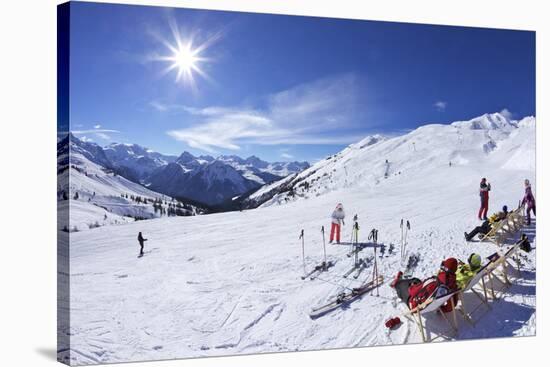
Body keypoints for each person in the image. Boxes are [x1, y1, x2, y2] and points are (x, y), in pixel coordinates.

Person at [391, 257, 458, 313]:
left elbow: (412, 291)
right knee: (416, 280)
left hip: (416, 305)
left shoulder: (434, 282)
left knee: (402, 286)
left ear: (444, 268)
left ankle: (397, 282)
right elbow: (451, 306)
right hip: (431, 304)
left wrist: (412, 286)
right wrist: (441, 309)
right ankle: (405, 281)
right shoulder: (453, 285)